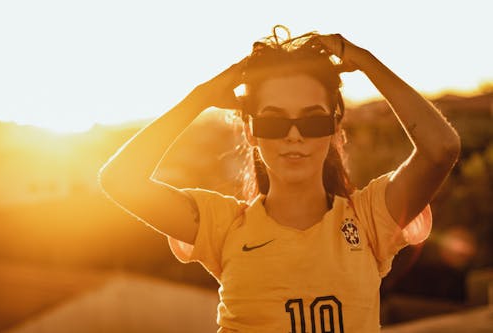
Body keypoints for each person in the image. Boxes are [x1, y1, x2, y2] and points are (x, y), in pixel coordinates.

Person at [99, 25, 460, 332]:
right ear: (251, 131)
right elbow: (119, 180)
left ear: (335, 127)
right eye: (272, 121)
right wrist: (200, 97)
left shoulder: (368, 221)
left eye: (312, 120)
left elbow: (441, 148)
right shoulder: (224, 227)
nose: (293, 136)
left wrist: (367, 62)